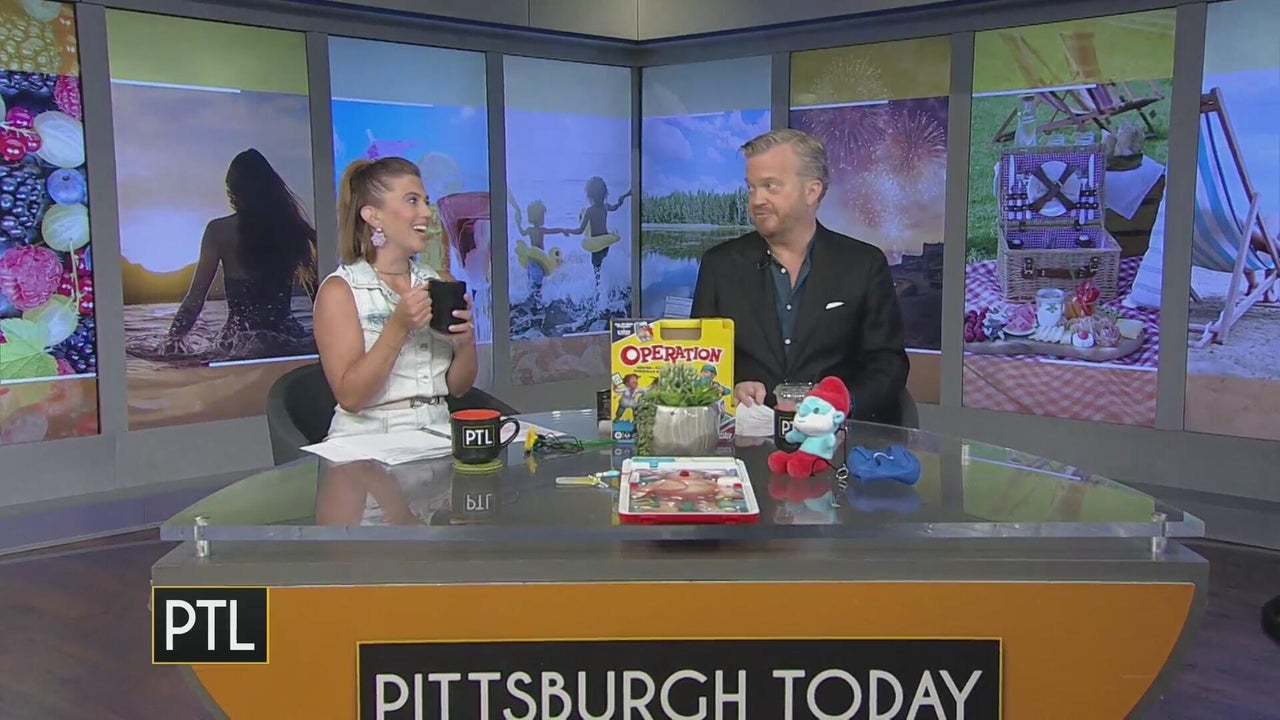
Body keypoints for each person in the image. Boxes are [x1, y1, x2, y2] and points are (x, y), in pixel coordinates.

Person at [690, 129, 909, 424]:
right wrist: (731, 389)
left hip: (835, 435)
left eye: (770, 186)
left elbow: (888, 364)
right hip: (747, 434)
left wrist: (842, 403)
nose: (757, 200)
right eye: (751, 188)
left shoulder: (864, 264)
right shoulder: (720, 265)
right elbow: (700, 359)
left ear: (812, 191)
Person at [313, 156, 478, 440]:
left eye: (426, 201)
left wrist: (465, 345)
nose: (426, 213)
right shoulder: (340, 291)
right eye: (412, 201)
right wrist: (399, 326)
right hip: (367, 438)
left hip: (438, 431)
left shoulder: (442, 284)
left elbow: (458, 388)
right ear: (373, 216)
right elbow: (351, 397)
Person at [162, 148, 318, 359]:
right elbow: (320, 300)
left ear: (233, 191)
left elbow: (195, 299)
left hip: (239, 344)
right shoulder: (293, 229)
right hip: (288, 340)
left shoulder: (219, 231)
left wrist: (171, 342)